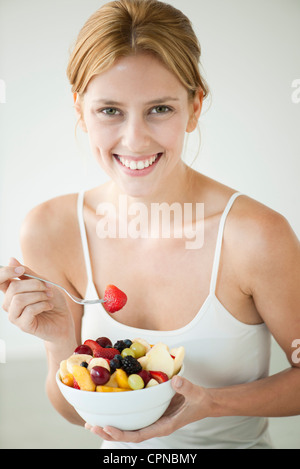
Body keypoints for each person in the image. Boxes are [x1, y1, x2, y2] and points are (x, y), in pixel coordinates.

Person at [0, 0, 299, 450]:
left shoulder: (256, 236)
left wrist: (211, 404)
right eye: (109, 111)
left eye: (159, 108)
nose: (135, 139)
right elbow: (72, 409)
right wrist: (63, 341)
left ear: (195, 107)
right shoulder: (50, 230)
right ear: (80, 110)